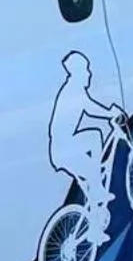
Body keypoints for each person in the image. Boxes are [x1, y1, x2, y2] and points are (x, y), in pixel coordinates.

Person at [47, 51, 123, 245]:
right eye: (87, 70)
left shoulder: (73, 89)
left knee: (95, 135)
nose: (89, 73)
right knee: (92, 173)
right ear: (79, 72)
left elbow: (92, 108)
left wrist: (108, 113)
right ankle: (94, 229)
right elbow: (91, 108)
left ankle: (96, 189)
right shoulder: (73, 91)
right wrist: (110, 113)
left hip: (66, 145)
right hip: (64, 149)